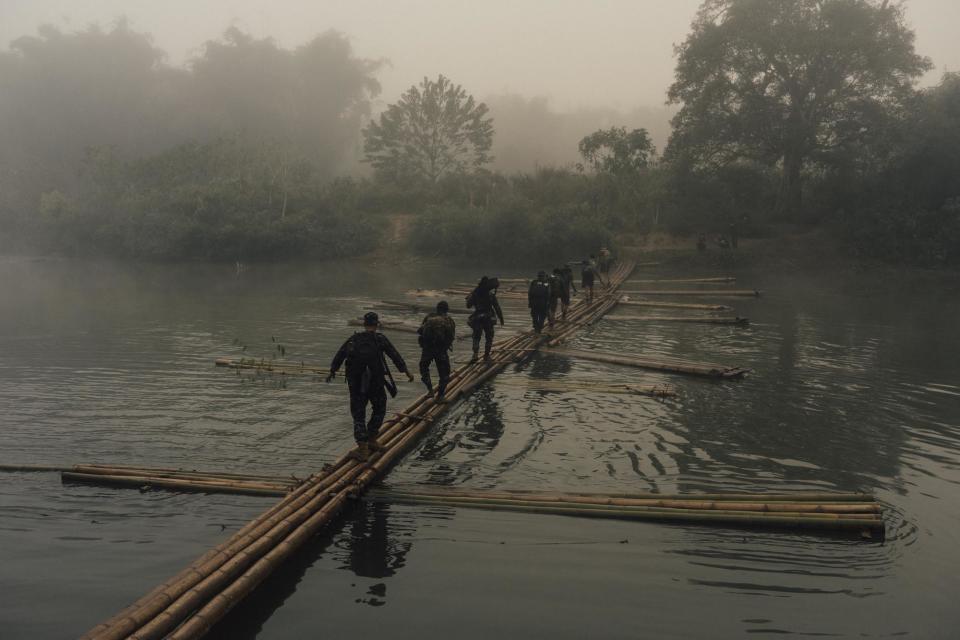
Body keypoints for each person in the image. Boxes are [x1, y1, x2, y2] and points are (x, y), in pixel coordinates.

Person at [327, 312, 414, 460]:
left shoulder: (354, 339)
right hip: (376, 382)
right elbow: (395, 355)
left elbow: (340, 355)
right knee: (379, 408)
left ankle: (363, 447)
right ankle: (372, 438)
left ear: (364, 324)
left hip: (356, 383)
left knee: (358, 414)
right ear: (377, 323)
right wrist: (406, 372)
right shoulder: (380, 339)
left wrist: (332, 371)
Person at [417, 300, 456, 401]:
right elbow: (451, 336)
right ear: (447, 310)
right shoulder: (449, 320)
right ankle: (441, 396)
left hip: (427, 350)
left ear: (437, 308)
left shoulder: (429, 317)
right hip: (441, 351)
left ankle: (430, 390)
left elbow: (420, 331)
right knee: (444, 374)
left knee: (424, 369)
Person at [466, 276, 504, 362]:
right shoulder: (490, 295)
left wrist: (470, 297)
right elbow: (497, 307)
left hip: (477, 317)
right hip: (488, 317)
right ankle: (486, 356)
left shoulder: (475, 294)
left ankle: (475, 355)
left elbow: (468, 306)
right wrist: (501, 318)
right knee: (489, 337)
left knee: (476, 337)